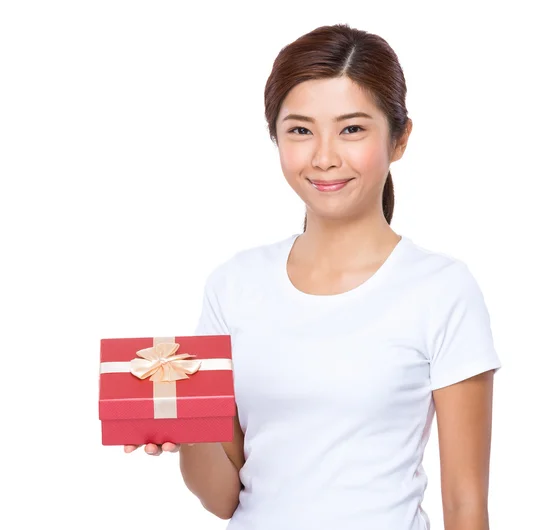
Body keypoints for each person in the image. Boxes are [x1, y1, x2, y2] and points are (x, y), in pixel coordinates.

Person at [125, 23, 502, 530]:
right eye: (300, 130)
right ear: (276, 137)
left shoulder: (441, 290)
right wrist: (185, 427)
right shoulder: (234, 286)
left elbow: (465, 505)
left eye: (352, 129)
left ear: (399, 139)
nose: (324, 157)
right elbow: (224, 499)